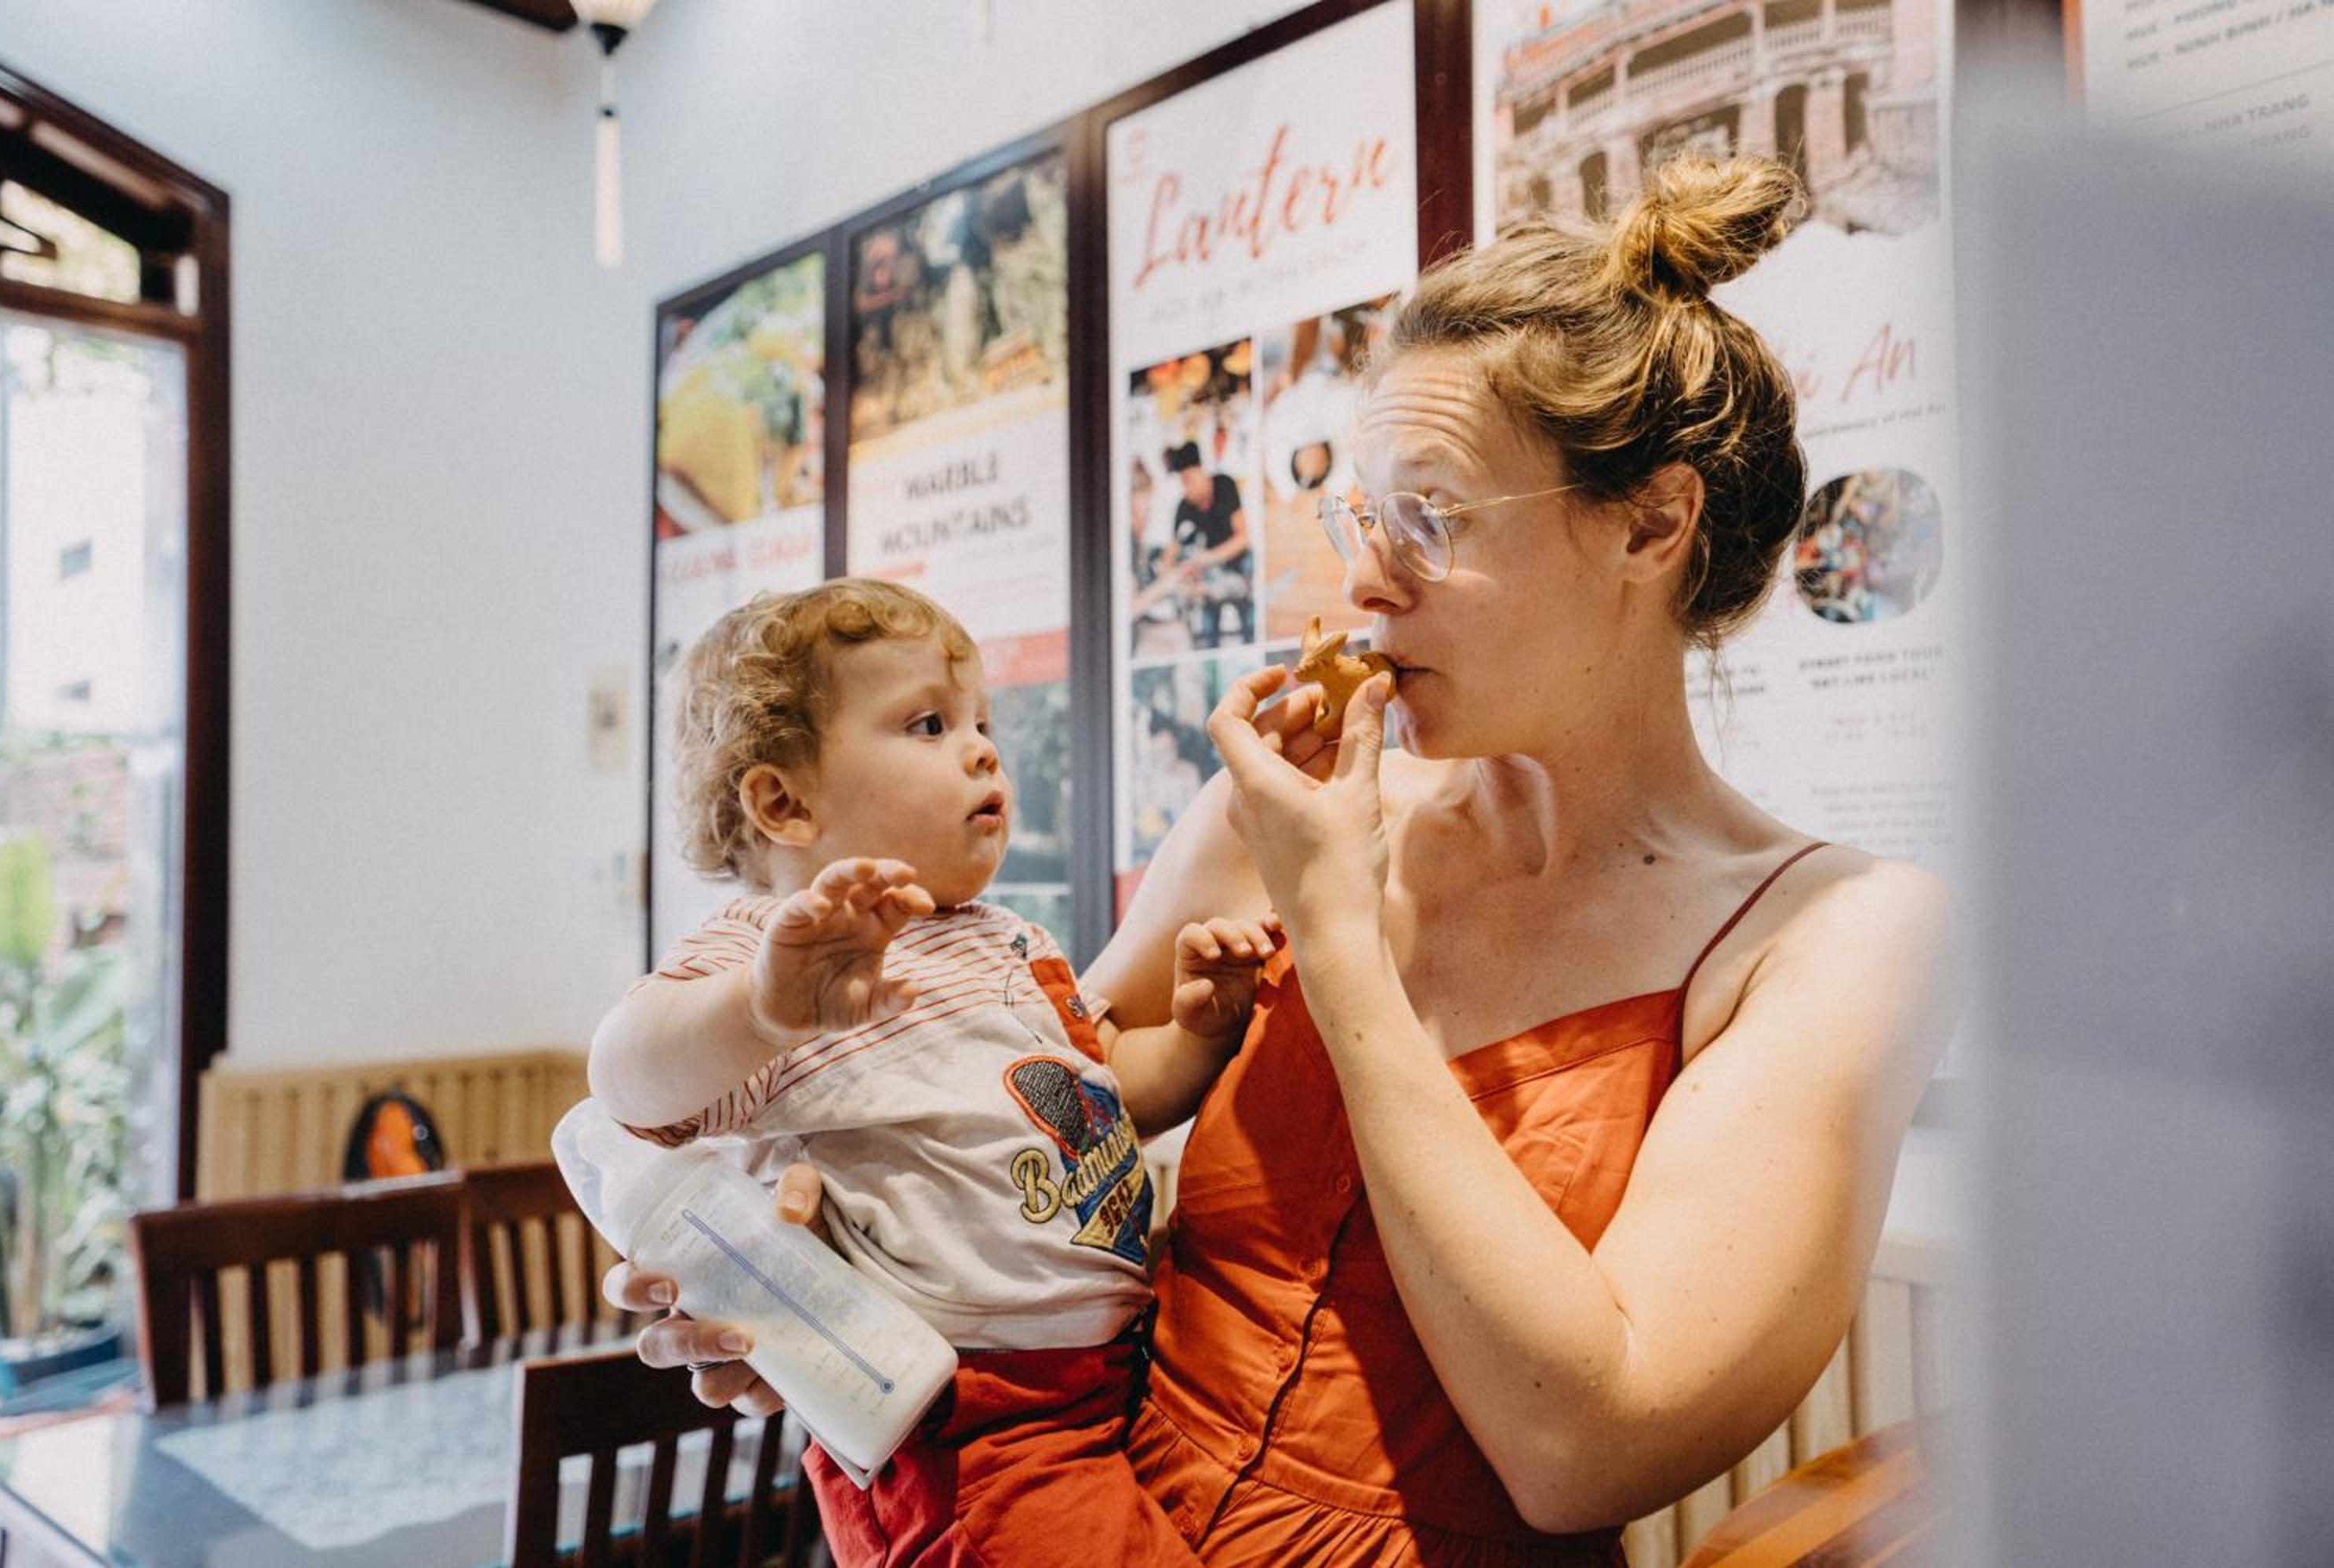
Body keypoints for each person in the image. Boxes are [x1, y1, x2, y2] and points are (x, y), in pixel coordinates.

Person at [610, 154, 1955, 1564]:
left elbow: (1585, 1449)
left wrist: (1341, 936)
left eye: (1432, 519)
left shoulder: (1841, 935)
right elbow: (1021, 1111)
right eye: (1361, 520)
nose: (1363, 585)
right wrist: (820, 1259)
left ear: (1652, 522)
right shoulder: (1286, 805)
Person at [587, 577, 1281, 1564]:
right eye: (928, 724)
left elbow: (1108, 1100)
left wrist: (1202, 1033)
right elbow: (624, 1078)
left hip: (1106, 1374)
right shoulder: (781, 955)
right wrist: (757, 1009)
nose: (984, 748)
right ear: (785, 801)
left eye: (981, 722)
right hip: (962, 1424)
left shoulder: (1004, 940)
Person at [1160, 440, 1253, 645]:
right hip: (1209, 577)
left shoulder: (1224, 486)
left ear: (1201, 471)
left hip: (1239, 566)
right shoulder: (1184, 507)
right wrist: (1170, 576)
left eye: (1189, 480)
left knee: (1250, 622)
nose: (1187, 489)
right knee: (1206, 626)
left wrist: (1208, 558)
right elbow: (1171, 550)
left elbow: (1244, 538)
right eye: (1183, 482)